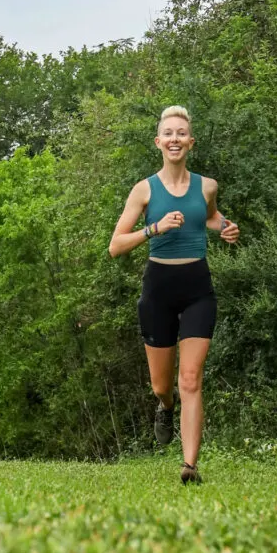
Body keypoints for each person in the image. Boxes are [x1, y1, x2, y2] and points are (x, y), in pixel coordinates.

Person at [108, 105, 240, 484]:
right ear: (158, 142)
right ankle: (164, 408)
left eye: (181, 133)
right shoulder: (144, 190)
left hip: (198, 288)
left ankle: (190, 466)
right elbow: (116, 246)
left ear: (191, 142)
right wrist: (155, 229)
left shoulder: (207, 186)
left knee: (191, 378)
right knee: (163, 386)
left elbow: (210, 217)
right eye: (168, 133)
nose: (175, 139)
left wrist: (226, 227)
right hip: (158, 292)